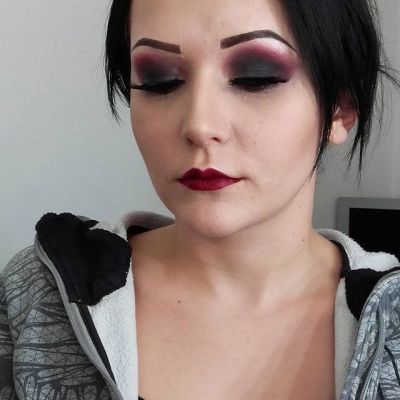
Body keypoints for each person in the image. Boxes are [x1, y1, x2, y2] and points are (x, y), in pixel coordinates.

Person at [1, 0, 400, 399]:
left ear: (341, 107)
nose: (199, 124)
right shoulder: (37, 298)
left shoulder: (391, 323)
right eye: (159, 80)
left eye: (255, 76)